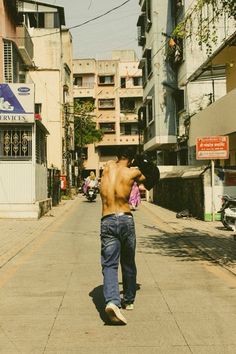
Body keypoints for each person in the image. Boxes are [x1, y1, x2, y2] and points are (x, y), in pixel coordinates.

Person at [99, 149, 158, 325]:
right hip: (125, 218)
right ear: (131, 159)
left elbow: (111, 168)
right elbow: (150, 180)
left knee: (109, 264)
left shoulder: (108, 167)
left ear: (117, 156)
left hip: (107, 218)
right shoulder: (133, 172)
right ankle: (129, 300)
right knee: (128, 262)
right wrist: (143, 163)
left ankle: (112, 301)